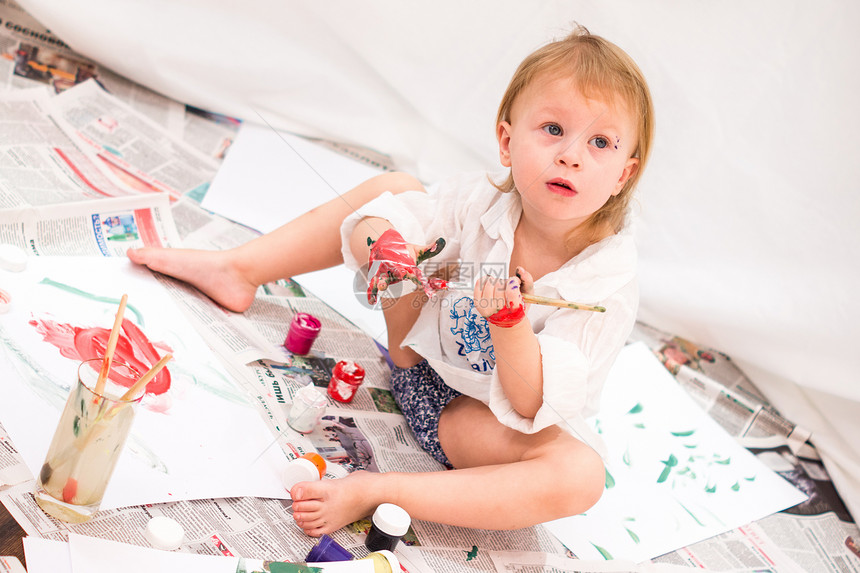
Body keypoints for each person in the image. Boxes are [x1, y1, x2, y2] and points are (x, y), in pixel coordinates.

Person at [128, 24, 654, 534]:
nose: (571, 155)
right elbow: (381, 230)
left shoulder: (605, 285)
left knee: (580, 475)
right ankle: (238, 269)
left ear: (624, 175)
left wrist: (509, 323)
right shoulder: (480, 202)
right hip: (411, 356)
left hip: (470, 425)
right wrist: (388, 244)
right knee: (395, 190)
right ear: (506, 141)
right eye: (554, 130)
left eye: (601, 143)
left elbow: (527, 405)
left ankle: (378, 490)